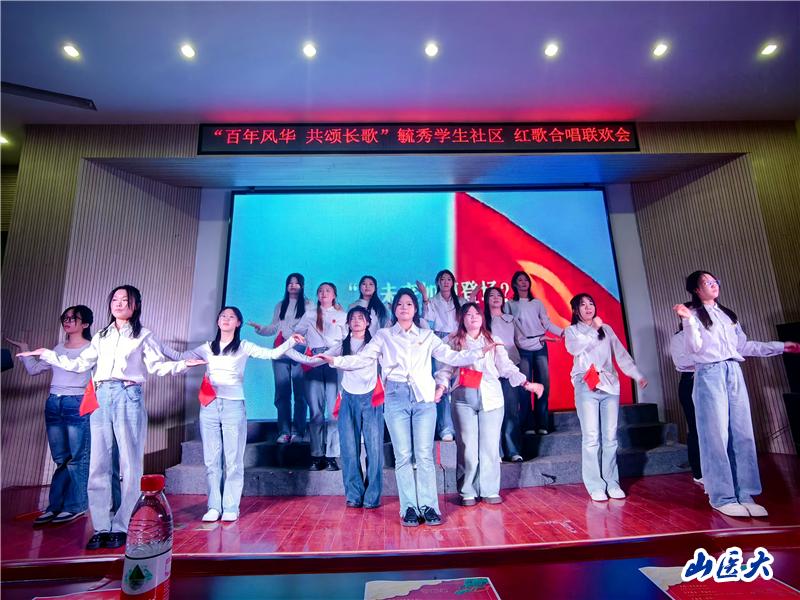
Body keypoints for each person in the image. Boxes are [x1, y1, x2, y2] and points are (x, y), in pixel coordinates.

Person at [17, 286, 205, 549]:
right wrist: (46, 354)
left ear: (135, 305)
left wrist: (182, 364)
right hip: (102, 395)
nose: (118, 304)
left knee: (129, 463)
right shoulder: (101, 336)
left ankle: (122, 525)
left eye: (124, 300)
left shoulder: (143, 335)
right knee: (98, 464)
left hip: (128, 395)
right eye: (115, 299)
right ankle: (102, 526)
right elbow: (80, 364)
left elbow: (157, 366)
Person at [317, 288, 498, 527]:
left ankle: (429, 507)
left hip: (423, 399)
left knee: (424, 455)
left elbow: (451, 357)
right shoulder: (384, 335)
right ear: (395, 309)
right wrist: (336, 360)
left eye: (409, 304)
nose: (404, 308)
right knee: (403, 455)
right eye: (400, 304)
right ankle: (409, 507)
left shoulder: (427, 335)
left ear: (415, 309)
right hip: (395, 397)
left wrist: (478, 352)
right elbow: (363, 359)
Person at [673, 271, 800, 517]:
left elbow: (743, 346)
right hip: (709, 373)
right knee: (715, 436)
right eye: (708, 282)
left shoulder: (727, 314)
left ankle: (745, 493)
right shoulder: (693, 315)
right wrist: (688, 321)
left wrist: (780, 347)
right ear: (696, 289)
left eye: (715, 281)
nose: (714, 285)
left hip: (733, 371)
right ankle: (722, 496)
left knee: (742, 433)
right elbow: (694, 348)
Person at [176, 307, 302, 522]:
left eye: (231, 317)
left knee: (233, 459)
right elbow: (180, 357)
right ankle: (213, 506)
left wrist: (290, 341)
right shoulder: (207, 348)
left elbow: (271, 354)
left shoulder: (244, 346)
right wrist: (152, 345)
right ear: (217, 322)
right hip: (209, 405)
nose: (226, 319)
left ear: (238, 323)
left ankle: (231, 506)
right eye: (223, 316)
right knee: (211, 459)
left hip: (233, 405)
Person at [435, 303, 543, 506]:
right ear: (461, 319)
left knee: (490, 446)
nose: (473, 317)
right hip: (463, 398)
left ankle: (490, 489)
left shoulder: (494, 340)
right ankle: (467, 490)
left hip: (491, 397)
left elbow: (506, 367)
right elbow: (445, 369)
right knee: (467, 447)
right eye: (468, 314)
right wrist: (440, 387)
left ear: (482, 317)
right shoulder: (453, 340)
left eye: (476, 313)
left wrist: (526, 383)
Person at [8, 305, 94, 526]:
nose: (67, 321)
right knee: (61, 458)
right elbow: (34, 370)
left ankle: (76, 506)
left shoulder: (91, 348)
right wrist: (26, 349)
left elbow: (77, 368)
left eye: (73, 318)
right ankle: (55, 506)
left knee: (77, 457)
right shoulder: (58, 347)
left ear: (85, 324)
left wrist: (48, 354)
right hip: (54, 402)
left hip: (76, 401)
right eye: (65, 318)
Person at [294, 306, 384, 508]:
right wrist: (288, 349)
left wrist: (335, 360)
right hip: (347, 398)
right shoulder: (341, 345)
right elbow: (315, 361)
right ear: (348, 323)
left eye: (361, 318)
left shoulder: (375, 344)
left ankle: (372, 497)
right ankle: (354, 495)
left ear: (368, 322)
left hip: (371, 397)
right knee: (349, 449)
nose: (356, 321)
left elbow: (359, 361)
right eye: (352, 318)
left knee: (374, 449)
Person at [565, 293, 647, 501]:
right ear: (575, 310)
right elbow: (574, 349)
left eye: (591, 304)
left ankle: (612, 482)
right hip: (586, 385)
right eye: (583, 305)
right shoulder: (572, 331)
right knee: (591, 438)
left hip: (610, 385)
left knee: (610, 438)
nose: (588, 307)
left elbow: (621, 354)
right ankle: (595, 485)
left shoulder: (606, 329)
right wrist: (593, 330)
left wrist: (637, 375)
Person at [248, 273, 312, 444]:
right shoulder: (280, 305)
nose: (293, 285)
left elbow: (311, 327)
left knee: (300, 393)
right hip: (280, 349)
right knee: (282, 392)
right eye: (290, 283)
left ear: (302, 286)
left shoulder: (308, 305)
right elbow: (274, 327)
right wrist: (261, 328)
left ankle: (298, 431)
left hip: (300, 349)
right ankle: (284, 431)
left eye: (296, 283)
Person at [292, 282, 347, 471]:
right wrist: (302, 344)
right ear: (317, 294)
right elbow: (297, 334)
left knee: (333, 412)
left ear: (334, 295)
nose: (324, 293)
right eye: (321, 291)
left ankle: (331, 456)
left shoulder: (342, 315)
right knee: (315, 411)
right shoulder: (309, 314)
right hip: (313, 361)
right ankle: (316, 455)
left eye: (328, 291)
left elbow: (346, 339)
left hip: (333, 361)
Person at [505, 271, 564, 435]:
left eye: (526, 280)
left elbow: (547, 324)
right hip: (522, 347)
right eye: (520, 280)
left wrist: (563, 332)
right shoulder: (510, 305)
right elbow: (507, 326)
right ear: (514, 284)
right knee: (524, 386)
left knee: (543, 384)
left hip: (540, 345)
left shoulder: (537, 303)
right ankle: (527, 424)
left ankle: (542, 424)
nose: (524, 282)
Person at [484, 286, 525, 462]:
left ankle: (513, 450)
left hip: (510, 367)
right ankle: (496, 452)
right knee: (492, 412)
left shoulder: (510, 319)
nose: (495, 298)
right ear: (486, 300)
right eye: (491, 295)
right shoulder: (482, 321)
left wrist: (538, 340)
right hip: (490, 371)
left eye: (498, 295)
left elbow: (520, 340)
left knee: (511, 411)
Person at [669, 313, 703, 485]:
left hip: (711, 380)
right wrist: (706, 356)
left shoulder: (707, 333)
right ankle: (699, 471)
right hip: (690, 382)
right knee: (696, 427)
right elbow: (681, 362)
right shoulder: (679, 338)